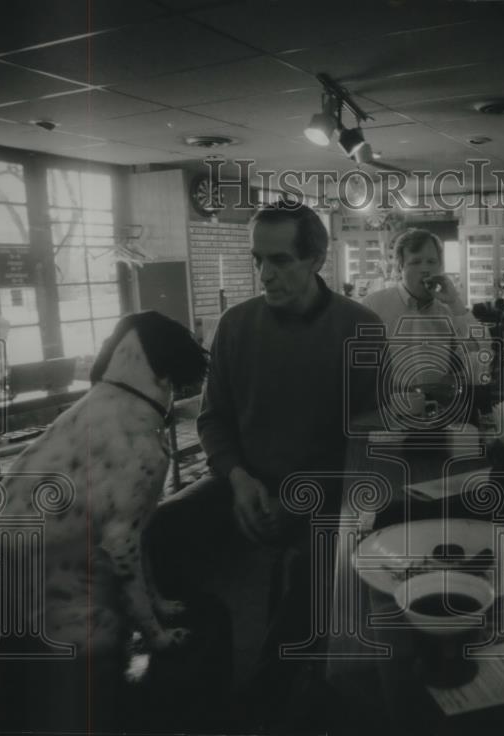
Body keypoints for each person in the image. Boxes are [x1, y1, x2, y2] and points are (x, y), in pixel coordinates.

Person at [143, 201, 381, 730]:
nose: (265, 274)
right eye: (258, 260)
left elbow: (369, 448)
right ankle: (202, 656)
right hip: (243, 483)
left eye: (280, 260)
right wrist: (239, 479)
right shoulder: (235, 326)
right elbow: (212, 421)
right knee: (160, 531)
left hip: (326, 497)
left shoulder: (361, 329)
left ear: (316, 258)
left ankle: (265, 701)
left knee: (310, 568)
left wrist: (303, 498)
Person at [361, 228, 479, 391]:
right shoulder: (373, 305)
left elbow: (481, 351)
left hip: (438, 407)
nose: (425, 269)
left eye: (431, 262)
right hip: (388, 405)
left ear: (440, 266)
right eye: (416, 262)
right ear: (400, 266)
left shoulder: (448, 308)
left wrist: (455, 302)